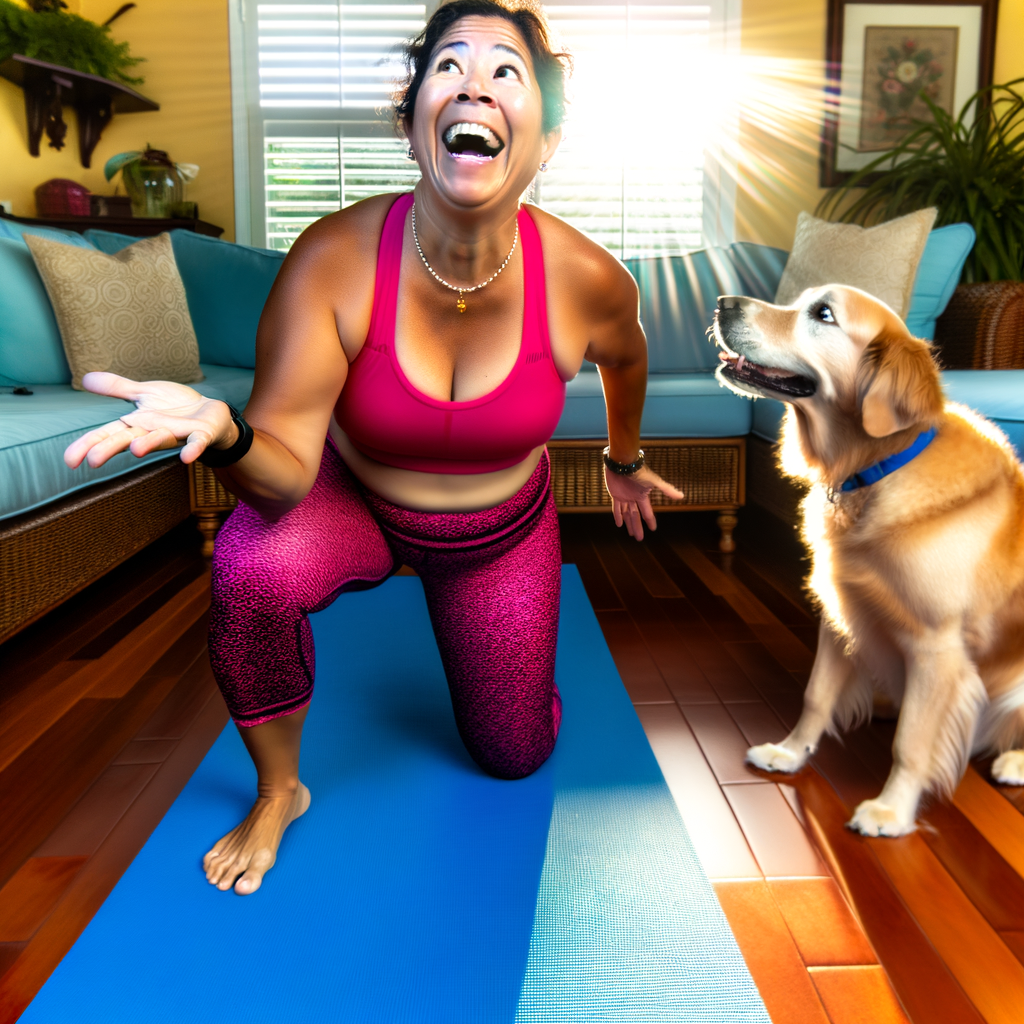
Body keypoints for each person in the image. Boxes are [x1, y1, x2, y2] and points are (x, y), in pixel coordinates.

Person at [65, 0, 683, 896]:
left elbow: (627, 359)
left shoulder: (589, 279)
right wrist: (228, 431)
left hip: (498, 534)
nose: (475, 85)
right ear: (411, 121)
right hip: (353, 502)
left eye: (506, 72)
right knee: (250, 568)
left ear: (547, 139)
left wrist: (623, 462)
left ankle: (512, 660)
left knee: (514, 754)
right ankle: (279, 791)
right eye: (449, 66)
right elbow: (282, 480)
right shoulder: (333, 260)